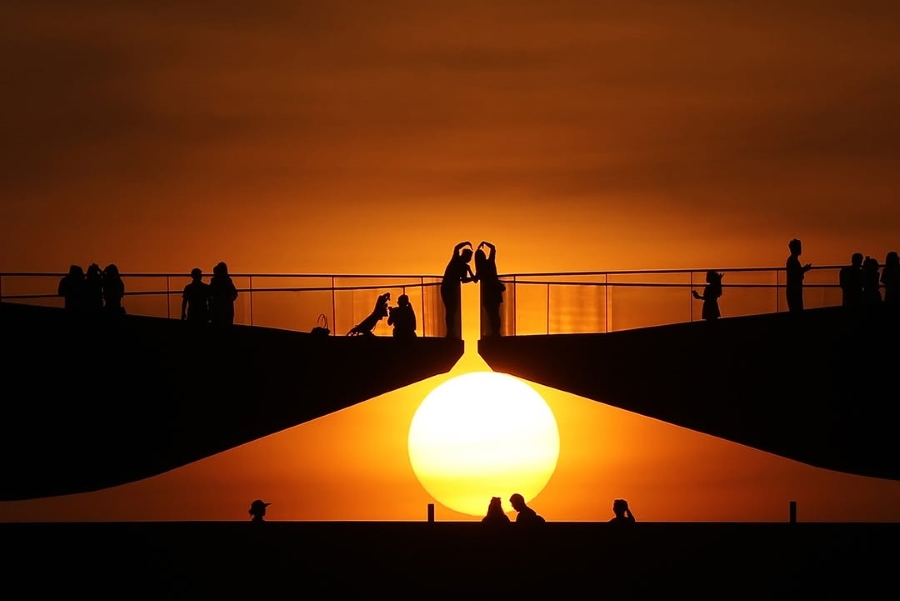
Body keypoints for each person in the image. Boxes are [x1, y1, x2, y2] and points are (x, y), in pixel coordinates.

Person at [440, 242, 476, 339]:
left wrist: (470, 273)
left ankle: (450, 331)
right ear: (465, 255)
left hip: (453, 288)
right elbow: (456, 247)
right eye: (469, 257)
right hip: (448, 287)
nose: (470, 259)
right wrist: (466, 243)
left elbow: (464, 280)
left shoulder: (465, 267)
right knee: (450, 310)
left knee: (452, 310)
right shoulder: (456, 259)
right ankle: (449, 331)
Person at [474, 241, 506, 337]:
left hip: (488, 294)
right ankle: (496, 332)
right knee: (495, 314)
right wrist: (484, 243)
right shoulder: (490, 262)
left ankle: (494, 332)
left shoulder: (480, 270)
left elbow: (475, 280)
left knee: (491, 315)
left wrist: (469, 271)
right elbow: (493, 248)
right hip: (495, 292)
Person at [785, 239, 812, 313]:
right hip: (794, 291)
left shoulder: (792, 260)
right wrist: (804, 269)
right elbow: (796, 275)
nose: (801, 248)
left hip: (793, 291)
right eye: (799, 247)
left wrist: (803, 269)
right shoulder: (793, 261)